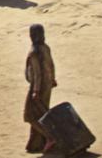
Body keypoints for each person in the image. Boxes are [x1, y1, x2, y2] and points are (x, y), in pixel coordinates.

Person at [24, 24, 57, 153]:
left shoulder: (34, 51)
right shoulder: (45, 48)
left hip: (38, 87)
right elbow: (51, 64)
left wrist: (36, 91)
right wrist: (52, 79)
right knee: (42, 113)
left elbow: (37, 73)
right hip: (47, 84)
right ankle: (36, 145)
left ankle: (50, 138)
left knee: (30, 116)